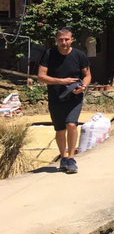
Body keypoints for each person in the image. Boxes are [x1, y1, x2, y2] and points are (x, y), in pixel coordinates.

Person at [37, 26, 91, 174]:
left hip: (75, 97)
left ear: (72, 40)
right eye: (61, 40)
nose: (64, 42)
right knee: (60, 129)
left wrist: (83, 87)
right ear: (56, 40)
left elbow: (87, 75)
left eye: (67, 39)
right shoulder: (49, 54)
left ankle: (71, 158)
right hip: (55, 97)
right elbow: (41, 77)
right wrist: (62, 81)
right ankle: (63, 157)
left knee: (72, 125)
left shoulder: (80, 55)